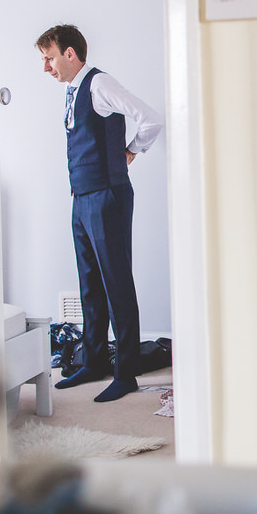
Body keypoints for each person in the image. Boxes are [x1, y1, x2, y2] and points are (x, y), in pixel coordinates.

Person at [36, 24, 164, 402]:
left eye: (50, 58)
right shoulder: (72, 90)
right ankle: (93, 361)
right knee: (89, 283)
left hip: (107, 195)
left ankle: (126, 372)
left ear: (70, 54)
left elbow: (151, 118)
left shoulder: (99, 84)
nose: (46, 67)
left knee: (116, 283)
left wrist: (131, 151)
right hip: (82, 197)